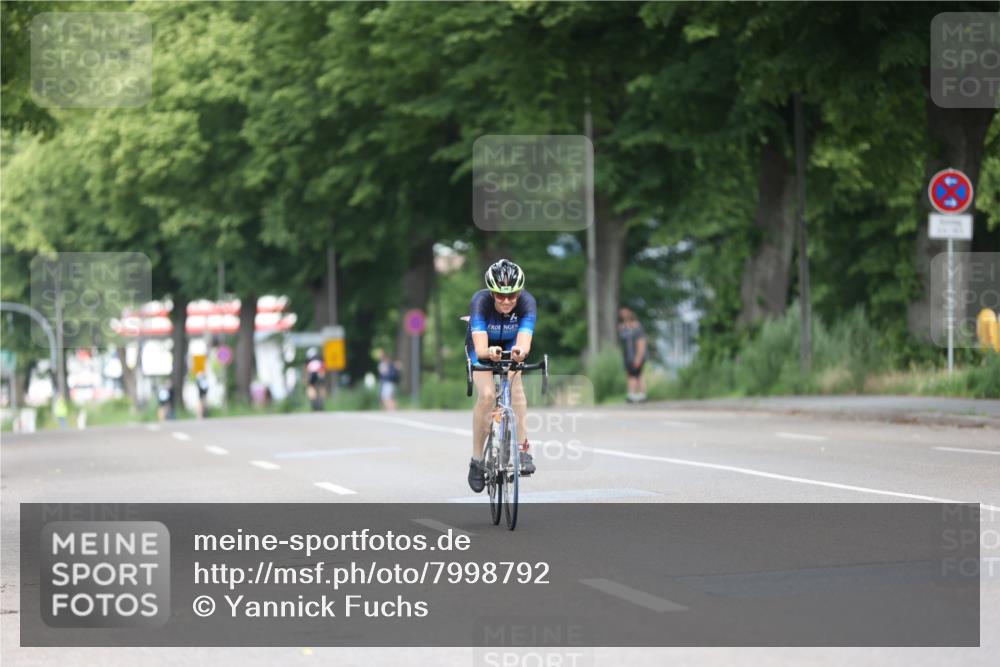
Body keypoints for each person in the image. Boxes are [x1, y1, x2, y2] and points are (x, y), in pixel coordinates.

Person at [466, 259, 537, 493]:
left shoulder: (527, 303)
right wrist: (488, 353)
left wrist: (520, 352)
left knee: (517, 391)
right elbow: (481, 348)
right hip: (482, 345)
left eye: (512, 295)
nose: (506, 301)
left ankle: (522, 449)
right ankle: (477, 460)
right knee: (487, 396)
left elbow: (525, 342)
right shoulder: (480, 301)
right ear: (491, 292)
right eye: (500, 296)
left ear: (519, 292)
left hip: (510, 343)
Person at [618, 307, 647, 403]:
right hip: (628, 356)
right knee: (632, 374)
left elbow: (641, 342)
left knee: (637, 374)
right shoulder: (624, 328)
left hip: (636, 355)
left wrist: (639, 357)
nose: (623, 315)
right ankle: (633, 394)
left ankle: (640, 395)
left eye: (625, 313)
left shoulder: (637, 327)